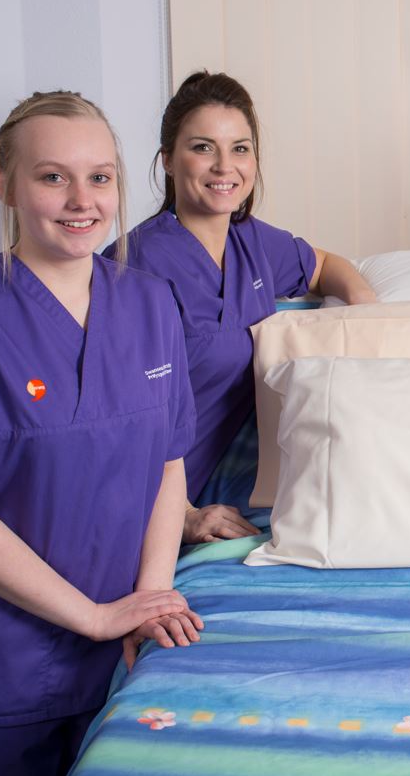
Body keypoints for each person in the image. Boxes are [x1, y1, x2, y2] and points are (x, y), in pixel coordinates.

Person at [0, 91, 203, 776]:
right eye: (52, 175)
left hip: (121, 647)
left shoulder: (149, 303)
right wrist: (94, 616)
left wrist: (144, 606)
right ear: (6, 185)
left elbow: (168, 463)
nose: (80, 198)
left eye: (100, 175)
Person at [117, 71, 377, 543]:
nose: (224, 166)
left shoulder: (251, 242)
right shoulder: (134, 269)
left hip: (208, 483)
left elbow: (325, 266)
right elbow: (116, 422)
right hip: (134, 502)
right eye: (202, 147)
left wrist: (363, 313)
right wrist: (185, 517)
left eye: (240, 148)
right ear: (168, 162)